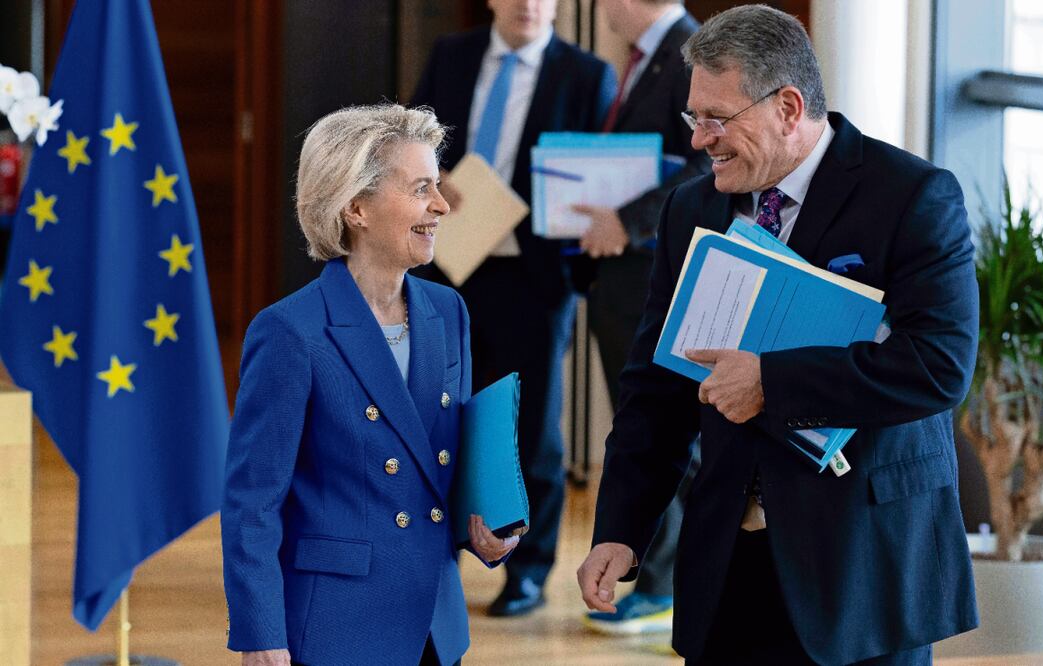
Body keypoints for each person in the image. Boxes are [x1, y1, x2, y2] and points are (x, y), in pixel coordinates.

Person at [577, 5, 979, 665]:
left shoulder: (912, 196)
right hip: (727, 565)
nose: (699, 139)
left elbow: (936, 367)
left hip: (862, 567)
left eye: (716, 118)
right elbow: (655, 385)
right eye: (692, 117)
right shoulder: (691, 207)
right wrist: (621, 528)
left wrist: (770, 382)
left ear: (787, 108)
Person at [221, 104, 517, 666]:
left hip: (435, 622)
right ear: (356, 207)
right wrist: (261, 635)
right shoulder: (289, 332)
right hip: (336, 628)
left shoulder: (449, 310)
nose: (441, 205)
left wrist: (487, 528)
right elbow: (251, 505)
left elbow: (438, 472)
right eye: (421, 188)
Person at [411, 0, 616, 618]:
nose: (529, 5)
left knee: (531, 429)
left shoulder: (584, 74)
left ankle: (527, 568)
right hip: (449, 265)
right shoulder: (453, 55)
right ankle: (432, 549)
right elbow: (414, 141)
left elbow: (592, 175)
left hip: (534, 275)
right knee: (437, 410)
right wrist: (431, 177)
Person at [572, 0, 709, 636]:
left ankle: (661, 583)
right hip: (623, 278)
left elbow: (704, 166)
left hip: (657, 268)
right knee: (644, 424)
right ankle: (658, 576)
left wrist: (627, 223)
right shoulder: (640, 61)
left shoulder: (689, 53)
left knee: (664, 427)